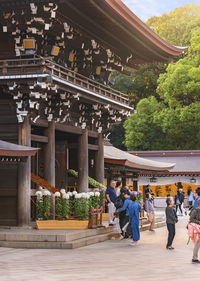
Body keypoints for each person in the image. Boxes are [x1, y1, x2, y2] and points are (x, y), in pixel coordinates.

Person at [189, 199, 200, 263]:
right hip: (197, 229)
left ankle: (194, 257)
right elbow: (191, 219)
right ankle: (194, 258)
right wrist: (198, 222)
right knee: (197, 243)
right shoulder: (195, 210)